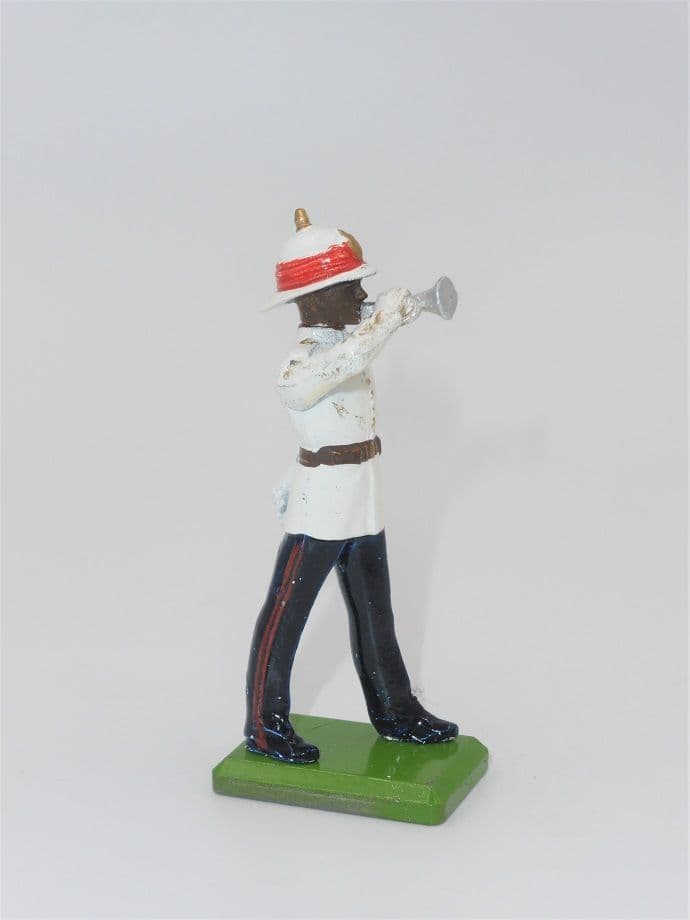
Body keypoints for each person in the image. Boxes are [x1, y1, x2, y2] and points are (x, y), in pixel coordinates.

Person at [244, 208, 458, 763]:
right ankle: (264, 727)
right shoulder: (300, 365)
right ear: (316, 299)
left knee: (376, 614)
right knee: (286, 615)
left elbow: (346, 385)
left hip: (361, 497)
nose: (361, 294)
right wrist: (383, 321)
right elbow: (343, 364)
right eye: (350, 286)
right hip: (321, 505)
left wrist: (390, 317)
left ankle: (395, 711)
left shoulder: (346, 343)